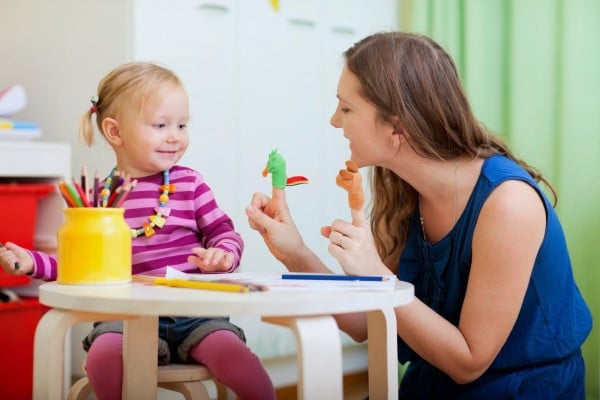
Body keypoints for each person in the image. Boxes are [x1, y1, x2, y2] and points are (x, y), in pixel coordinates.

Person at [245, 32, 592, 399]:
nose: (334, 121)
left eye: (346, 108)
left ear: (396, 126)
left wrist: (377, 273)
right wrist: (294, 251)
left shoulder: (508, 205)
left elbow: (469, 361)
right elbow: (368, 323)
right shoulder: (403, 190)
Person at [0, 62, 275, 400]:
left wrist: (224, 255)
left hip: (197, 315)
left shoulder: (189, 184)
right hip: (125, 317)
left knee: (238, 361)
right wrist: (32, 262)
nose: (175, 135)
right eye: (160, 125)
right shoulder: (98, 198)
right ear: (115, 132)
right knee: (103, 358)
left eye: (182, 124)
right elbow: (80, 266)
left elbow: (224, 232)